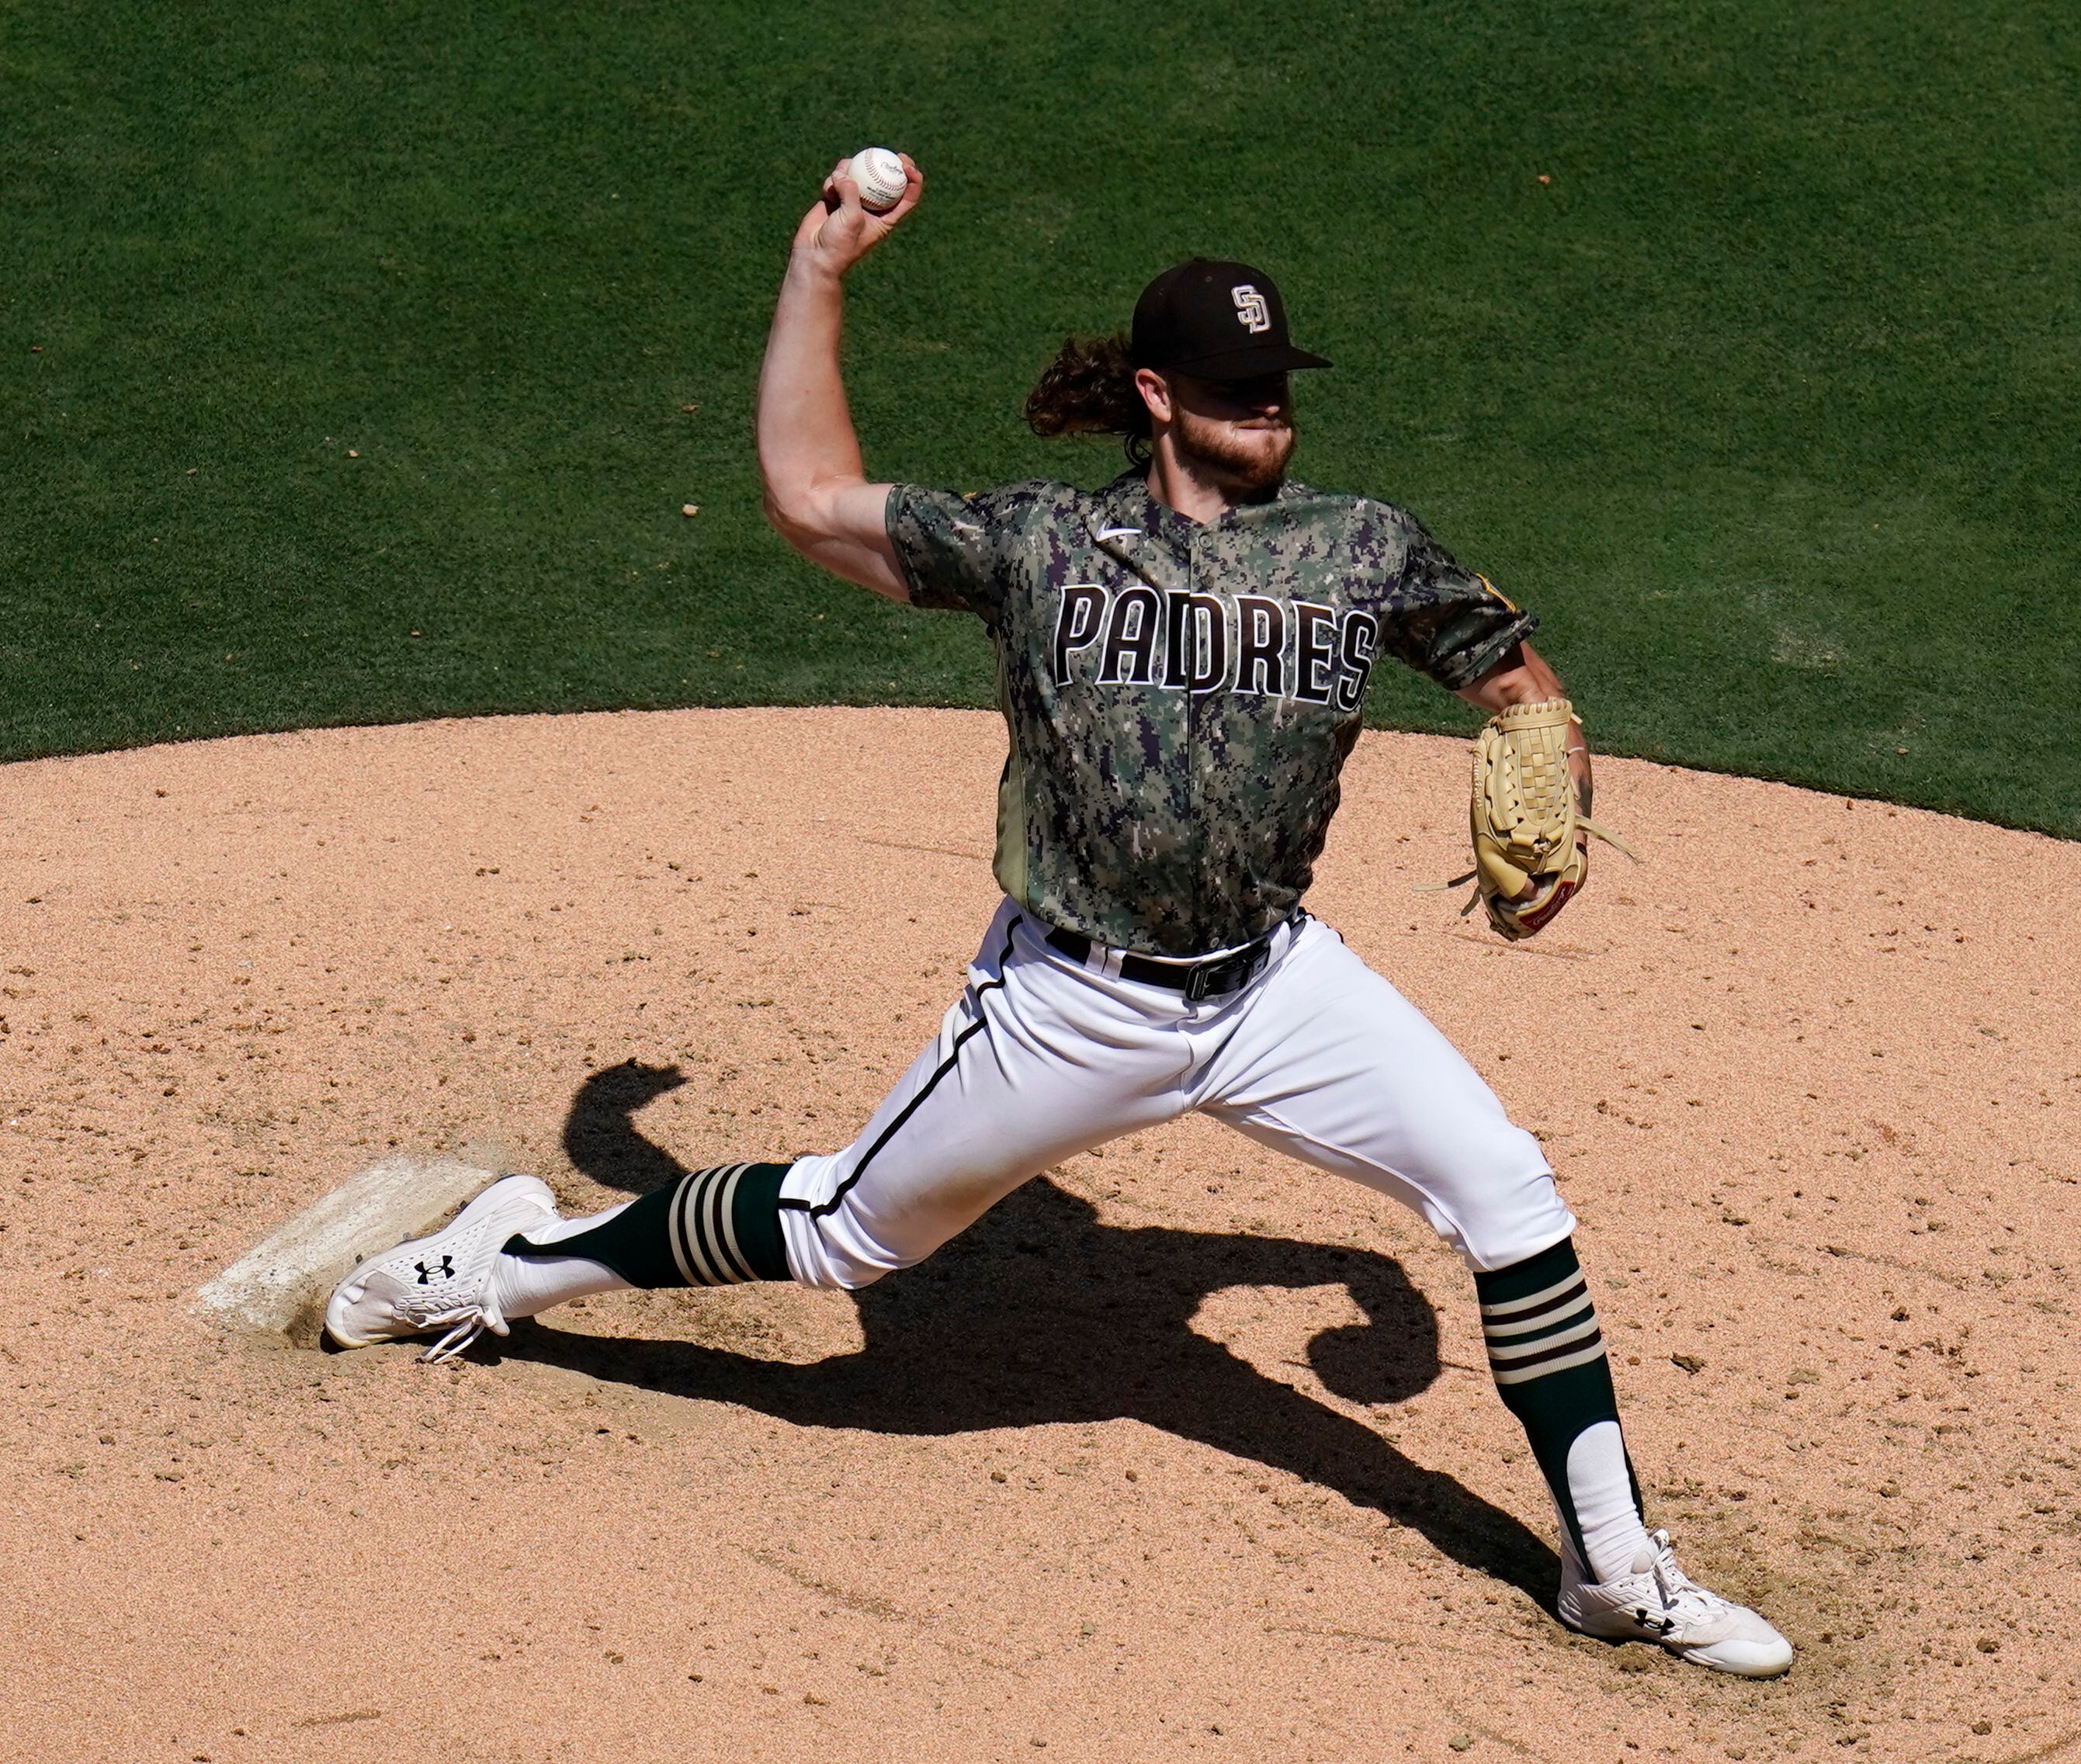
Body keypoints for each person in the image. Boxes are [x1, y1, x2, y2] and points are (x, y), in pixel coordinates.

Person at [326, 157, 1793, 1679]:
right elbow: (808, 500)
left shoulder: (1361, 547)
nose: (1268, 411)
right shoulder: (1037, 544)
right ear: (1157, 396)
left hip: (1275, 988)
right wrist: (817, 272)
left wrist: (1546, 785)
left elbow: (1513, 685)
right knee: (841, 1236)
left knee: (1508, 1194)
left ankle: (1611, 1565)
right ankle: (503, 1266)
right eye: (1234, 389)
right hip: (1069, 1005)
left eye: (1279, 387)